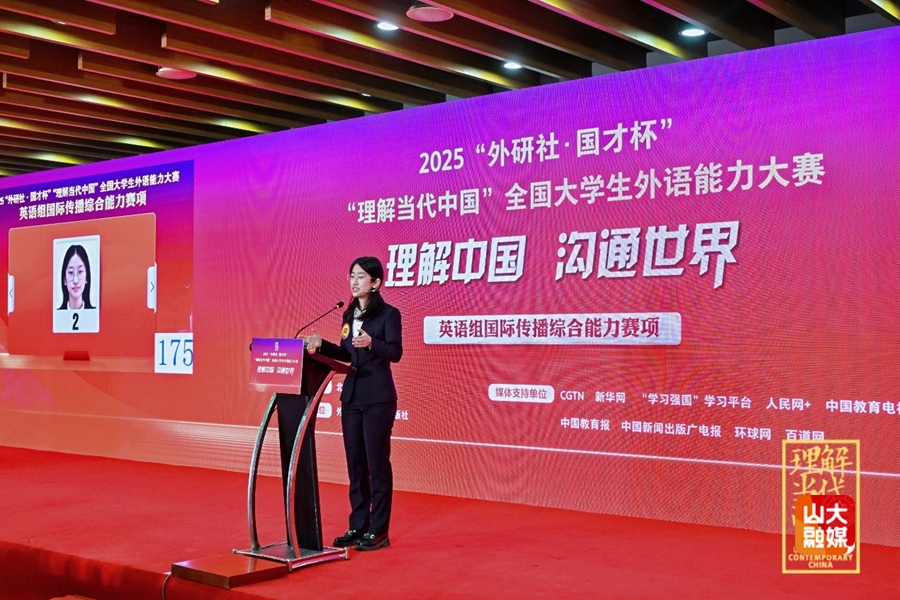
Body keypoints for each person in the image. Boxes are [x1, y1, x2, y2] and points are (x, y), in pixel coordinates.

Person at [305, 256, 402, 551]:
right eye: (352, 276)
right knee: (356, 464)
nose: (354, 281)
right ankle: (358, 524)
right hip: (352, 398)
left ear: (376, 282)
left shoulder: (389, 314)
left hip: (378, 398)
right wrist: (322, 346)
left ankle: (378, 530)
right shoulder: (349, 315)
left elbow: (395, 352)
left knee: (377, 464)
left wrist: (372, 343)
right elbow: (347, 354)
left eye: (361, 276)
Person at [57, 244, 95, 310]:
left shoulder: (95, 313)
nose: (75, 281)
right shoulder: (57, 314)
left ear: (86, 277)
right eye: (70, 272)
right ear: (64, 279)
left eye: (80, 271)